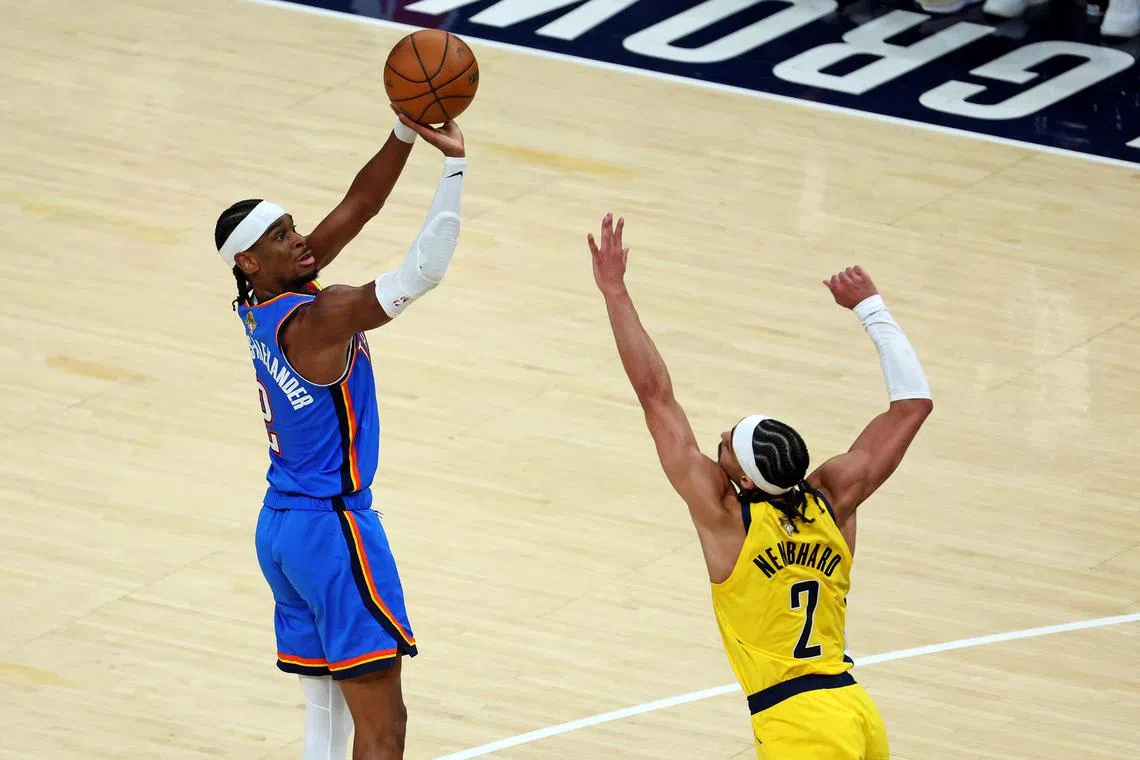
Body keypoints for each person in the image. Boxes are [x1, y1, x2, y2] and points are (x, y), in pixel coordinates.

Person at [587, 213, 933, 759]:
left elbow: (656, 395)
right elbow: (913, 406)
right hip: (856, 710)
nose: (719, 436)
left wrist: (614, 292)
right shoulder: (835, 498)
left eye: (726, 444)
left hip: (799, 725)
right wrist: (871, 308)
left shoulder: (728, 517)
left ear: (744, 478)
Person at [213, 110, 467, 760]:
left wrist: (406, 131)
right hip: (332, 530)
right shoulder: (321, 318)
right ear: (248, 258)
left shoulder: (259, 301)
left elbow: (361, 202)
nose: (302, 241)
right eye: (281, 236)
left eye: (295, 225)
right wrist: (455, 167)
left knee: (327, 722)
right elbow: (422, 273)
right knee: (385, 732)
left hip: (281, 527)